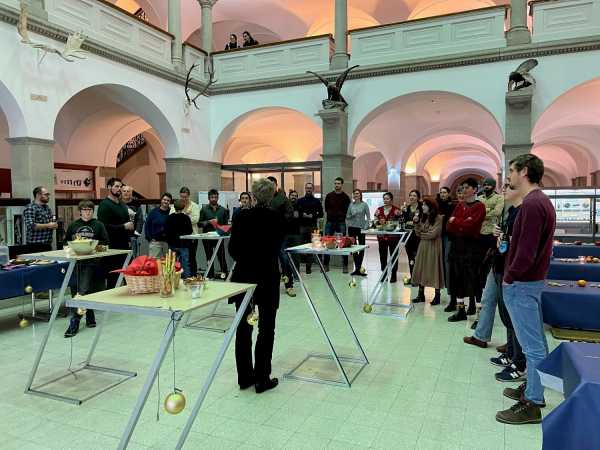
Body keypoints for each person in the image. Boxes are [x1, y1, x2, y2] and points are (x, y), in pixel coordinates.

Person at [496, 154, 555, 425]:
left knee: (532, 346)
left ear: (525, 171)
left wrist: (510, 276)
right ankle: (533, 389)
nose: (508, 176)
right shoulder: (539, 201)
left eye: (511, 170)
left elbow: (526, 252)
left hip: (522, 283)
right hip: (529, 281)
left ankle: (532, 402)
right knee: (536, 343)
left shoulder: (532, 204)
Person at [464, 182, 527, 384]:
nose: (504, 190)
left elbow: (521, 247)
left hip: (509, 269)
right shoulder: (511, 212)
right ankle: (508, 350)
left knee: (511, 315)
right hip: (498, 262)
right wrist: (500, 236)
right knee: (497, 305)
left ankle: (519, 362)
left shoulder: (523, 211)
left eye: (509, 186)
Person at [229, 178, 284, 394]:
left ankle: (244, 377)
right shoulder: (276, 218)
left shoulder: (241, 217)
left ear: (252, 195)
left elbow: (232, 248)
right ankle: (262, 378)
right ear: (271, 196)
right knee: (266, 328)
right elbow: (277, 246)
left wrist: (246, 259)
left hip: (244, 276)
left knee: (243, 327)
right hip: (267, 277)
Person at [63, 200, 109, 338]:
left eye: (90, 209)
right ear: (80, 211)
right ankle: (90, 315)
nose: (87, 212)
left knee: (82, 291)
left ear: (92, 211)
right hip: (75, 262)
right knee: (76, 289)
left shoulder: (98, 225)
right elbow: (66, 242)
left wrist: (92, 245)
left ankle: (74, 322)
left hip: (91, 262)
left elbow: (106, 242)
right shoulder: (73, 225)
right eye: (84, 209)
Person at [446, 178, 486, 322]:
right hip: (457, 246)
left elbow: (471, 226)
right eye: (462, 187)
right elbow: (448, 226)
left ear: (475, 189)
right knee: (458, 279)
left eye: (467, 187)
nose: (464, 189)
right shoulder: (460, 205)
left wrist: (456, 222)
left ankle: (480, 317)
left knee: (474, 280)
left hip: (472, 247)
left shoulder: (479, 206)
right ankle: (460, 310)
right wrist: (461, 222)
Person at [473, 178, 504, 327]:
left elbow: (497, 212)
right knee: (478, 271)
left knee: (488, 271)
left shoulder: (499, 198)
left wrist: (482, 213)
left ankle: (486, 308)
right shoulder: (479, 198)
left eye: (489, 185)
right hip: (478, 236)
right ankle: (477, 307)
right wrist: (486, 212)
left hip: (492, 237)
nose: (487, 187)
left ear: (493, 186)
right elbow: (475, 214)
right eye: (484, 185)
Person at [98, 178, 133, 287]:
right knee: (113, 277)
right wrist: (123, 226)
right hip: (112, 247)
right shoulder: (104, 205)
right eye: (116, 186)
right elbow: (104, 227)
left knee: (130, 274)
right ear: (109, 187)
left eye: (120, 187)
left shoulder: (122, 204)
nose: (119, 189)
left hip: (125, 245)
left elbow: (127, 222)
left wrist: (129, 238)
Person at [411, 197, 444, 305]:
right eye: (422, 205)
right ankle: (421, 295)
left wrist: (423, 235)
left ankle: (437, 296)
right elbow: (418, 233)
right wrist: (416, 223)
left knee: (434, 269)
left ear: (431, 207)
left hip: (433, 246)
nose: (422, 207)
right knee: (421, 268)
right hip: (423, 246)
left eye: (425, 205)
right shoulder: (423, 218)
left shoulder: (439, 218)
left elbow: (433, 234)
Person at [267, 177, 296, 297]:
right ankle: (271, 286)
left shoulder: (283, 198)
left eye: (272, 184)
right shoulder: (265, 198)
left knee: (284, 259)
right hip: (268, 235)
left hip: (281, 234)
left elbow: (290, 214)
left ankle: (289, 286)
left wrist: (279, 221)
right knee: (270, 261)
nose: (270, 186)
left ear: (276, 185)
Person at [199, 189, 230, 278]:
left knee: (222, 258)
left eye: (215, 197)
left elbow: (226, 225)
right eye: (212, 197)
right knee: (209, 258)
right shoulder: (204, 210)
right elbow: (199, 224)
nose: (214, 199)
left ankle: (224, 276)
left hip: (219, 238)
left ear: (218, 198)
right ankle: (210, 276)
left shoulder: (223, 210)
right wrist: (209, 222)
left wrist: (224, 229)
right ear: (209, 198)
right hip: (207, 238)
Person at [323, 177, 351, 272]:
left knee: (343, 243)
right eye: (335, 183)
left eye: (338, 183)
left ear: (342, 185)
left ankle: (345, 265)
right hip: (330, 222)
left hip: (341, 222)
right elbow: (326, 208)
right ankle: (326, 265)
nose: (336, 185)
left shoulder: (346, 197)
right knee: (327, 243)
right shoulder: (329, 196)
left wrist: (340, 215)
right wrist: (331, 214)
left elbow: (347, 210)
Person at [374, 192, 402, 283]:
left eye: (387, 199)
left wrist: (394, 225)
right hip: (382, 237)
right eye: (384, 199)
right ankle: (384, 274)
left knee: (394, 256)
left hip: (393, 237)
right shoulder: (379, 210)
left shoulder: (396, 210)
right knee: (383, 256)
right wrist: (378, 223)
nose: (385, 200)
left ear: (391, 200)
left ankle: (393, 275)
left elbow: (401, 222)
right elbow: (374, 221)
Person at [296, 182, 323, 274]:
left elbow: (321, 214)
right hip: (302, 227)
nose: (308, 189)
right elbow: (296, 214)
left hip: (313, 227)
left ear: (313, 189)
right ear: (305, 189)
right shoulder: (299, 201)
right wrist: (302, 215)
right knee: (299, 247)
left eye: (310, 188)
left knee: (313, 248)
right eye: (307, 188)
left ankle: (309, 268)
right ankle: (297, 268)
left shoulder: (316, 201)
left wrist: (313, 215)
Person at [174, 187, 200, 276]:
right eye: (182, 197)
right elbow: (172, 217)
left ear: (189, 196)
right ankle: (181, 276)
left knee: (192, 258)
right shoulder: (176, 205)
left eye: (185, 197)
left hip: (192, 236)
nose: (183, 199)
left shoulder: (195, 206)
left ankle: (193, 276)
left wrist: (181, 217)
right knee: (180, 258)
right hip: (179, 238)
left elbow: (195, 219)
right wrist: (186, 216)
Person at [437, 187, 455, 308]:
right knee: (439, 261)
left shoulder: (452, 205)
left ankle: (449, 284)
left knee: (447, 259)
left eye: (445, 192)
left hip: (448, 236)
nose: (443, 194)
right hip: (437, 235)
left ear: (449, 194)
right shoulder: (437, 204)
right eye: (441, 192)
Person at [23, 186, 57, 252]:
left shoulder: (47, 208)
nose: (48, 196)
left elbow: (53, 218)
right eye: (46, 194)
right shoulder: (30, 208)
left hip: (47, 245)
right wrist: (48, 225)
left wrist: (55, 222)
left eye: (48, 195)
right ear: (38, 195)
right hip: (35, 246)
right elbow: (31, 225)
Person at [165, 199, 193, 278]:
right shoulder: (186, 218)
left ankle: (172, 280)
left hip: (172, 244)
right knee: (185, 263)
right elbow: (190, 231)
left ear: (174, 207)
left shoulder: (170, 218)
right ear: (183, 207)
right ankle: (187, 280)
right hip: (184, 244)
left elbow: (166, 231)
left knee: (172, 263)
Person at [346, 189, 370, 276]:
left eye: (357, 193)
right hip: (352, 227)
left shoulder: (364, 205)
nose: (356, 195)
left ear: (360, 195)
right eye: (354, 194)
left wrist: (366, 226)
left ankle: (358, 267)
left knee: (362, 247)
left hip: (361, 228)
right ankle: (357, 269)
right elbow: (347, 216)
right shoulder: (351, 205)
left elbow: (368, 217)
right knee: (354, 248)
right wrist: (352, 215)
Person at [401, 190, 423, 282]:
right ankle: (413, 277)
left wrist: (417, 222)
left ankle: (420, 278)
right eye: (410, 195)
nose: (412, 197)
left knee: (419, 257)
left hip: (418, 236)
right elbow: (404, 221)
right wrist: (403, 212)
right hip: (409, 235)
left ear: (418, 197)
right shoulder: (407, 208)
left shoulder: (421, 208)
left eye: (414, 195)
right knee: (410, 257)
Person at [145, 193, 172, 259]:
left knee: (168, 263)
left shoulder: (172, 213)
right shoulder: (153, 212)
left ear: (170, 202)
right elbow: (147, 226)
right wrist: (150, 238)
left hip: (168, 243)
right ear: (161, 200)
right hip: (155, 242)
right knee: (153, 263)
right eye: (164, 199)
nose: (166, 202)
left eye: (168, 200)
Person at [121, 185, 144, 256]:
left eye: (128, 191)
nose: (126, 193)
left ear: (131, 193)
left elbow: (140, 219)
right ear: (121, 192)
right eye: (124, 191)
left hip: (132, 236)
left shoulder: (136, 204)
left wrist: (136, 234)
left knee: (132, 257)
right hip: (120, 236)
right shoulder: (117, 203)